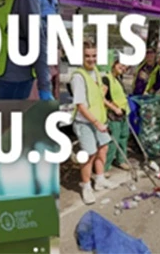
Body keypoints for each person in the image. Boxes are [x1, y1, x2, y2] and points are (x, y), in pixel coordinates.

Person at [70, 41, 117, 204]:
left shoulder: (96, 71)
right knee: (89, 155)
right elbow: (81, 106)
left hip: (99, 119)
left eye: (94, 56)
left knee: (103, 148)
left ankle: (100, 179)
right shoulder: (78, 76)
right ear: (81, 57)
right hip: (85, 122)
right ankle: (86, 186)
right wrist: (97, 123)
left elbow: (97, 96)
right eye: (87, 56)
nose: (91, 59)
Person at [101, 58, 130, 172]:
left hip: (123, 113)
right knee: (113, 141)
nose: (123, 68)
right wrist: (114, 108)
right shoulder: (106, 79)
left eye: (125, 68)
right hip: (113, 115)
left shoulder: (118, 78)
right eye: (121, 65)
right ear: (115, 64)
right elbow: (102, 98)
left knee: (123, 138)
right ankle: (105, 167)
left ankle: (121, 160)